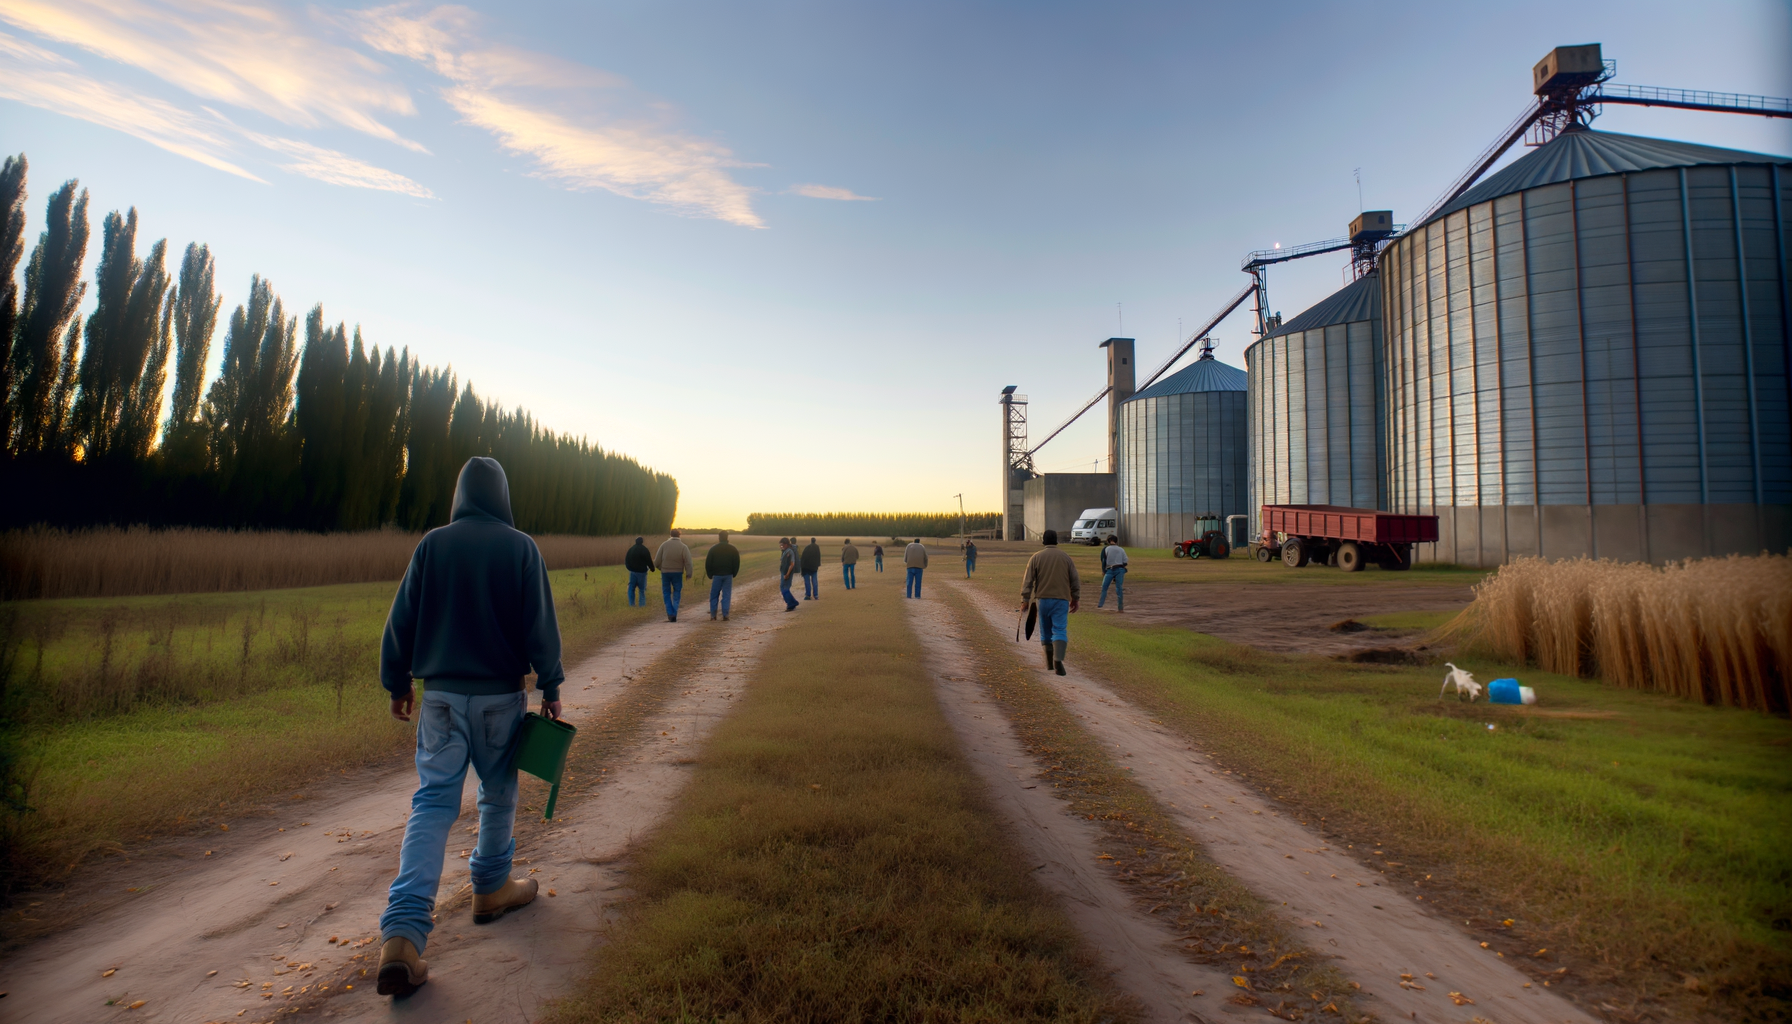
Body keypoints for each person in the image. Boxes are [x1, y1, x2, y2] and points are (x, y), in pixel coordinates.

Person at [375, 457, 561, 998]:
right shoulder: (521, 546)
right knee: (498, 793)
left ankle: (403, 938)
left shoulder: (433, 544)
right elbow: (540, 626)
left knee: (433, 803)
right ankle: (491, 886)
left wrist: (398, 682)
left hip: (439, 699)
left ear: (460, 494)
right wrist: (550, 686)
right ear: (502, 495)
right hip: (500, 697)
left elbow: (401, 617)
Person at [1021, 528, 1080, 676]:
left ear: (1043, 541)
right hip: (1061, 600)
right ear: (1056, 541)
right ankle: (1058, 659)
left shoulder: (1036, 557)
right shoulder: (1066, 558)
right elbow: (1074, 579)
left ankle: (1049, 663)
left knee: (1046, 631)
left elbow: (1028, 580)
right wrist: (1075, 598)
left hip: (1042, 600)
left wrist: (1025, 600)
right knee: (1059, 629)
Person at [655, 529, 694, 622]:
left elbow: (657, 561)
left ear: (670, 535)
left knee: (666, 593)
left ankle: (670, 612)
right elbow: (688, 562)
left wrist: (661, 568)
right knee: (677, 592)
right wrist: (689, 573)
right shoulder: (683, 547)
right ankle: (674, 612)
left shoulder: (664, 545)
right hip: (677, 573)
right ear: (679, 535)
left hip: (665, 573)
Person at [706, 531, 740, 620]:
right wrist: (734, 573)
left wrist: (710, 574)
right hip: (728, 574)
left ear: (719, 537)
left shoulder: (713, 549)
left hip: (717, 575)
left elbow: (708, 563)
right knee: (726, 595)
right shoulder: (733, 549)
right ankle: (725, 614)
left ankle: (713, 615)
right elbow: (736, 562)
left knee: (714, 595)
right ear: (727, 537)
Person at [623, 535, 655, 607]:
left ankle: (631, 604)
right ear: (642, 542)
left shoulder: (631, 549)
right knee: (642, 589)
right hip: (642, 572)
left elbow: (626, 560)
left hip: (633, 572)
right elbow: (649, 560)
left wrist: (629, 568)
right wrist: (652, 568)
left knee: (631, 588)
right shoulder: (644, 549)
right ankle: (642, 604)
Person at [1098, 535, 1128, 611]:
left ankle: (1100, 604)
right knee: (1119, 588)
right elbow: (1125, 561)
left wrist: (1103, 571)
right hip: (1120, 569)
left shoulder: (1106, 549)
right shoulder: (1121, 549)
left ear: (1108, 541)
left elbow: (1103, 560)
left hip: (1109, 570)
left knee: (1104, 587)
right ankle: (1120, 607)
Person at [778, 537, 800, 611]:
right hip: (784, 572)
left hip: (787, 573)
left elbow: (792, 564)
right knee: (783, 588)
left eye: (782, 544)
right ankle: (792, 602)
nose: (781, 546)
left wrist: (787, 574)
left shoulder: (789, 552)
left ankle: (791, 604)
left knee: (785, 589)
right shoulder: (785, 551)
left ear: (786, 544)